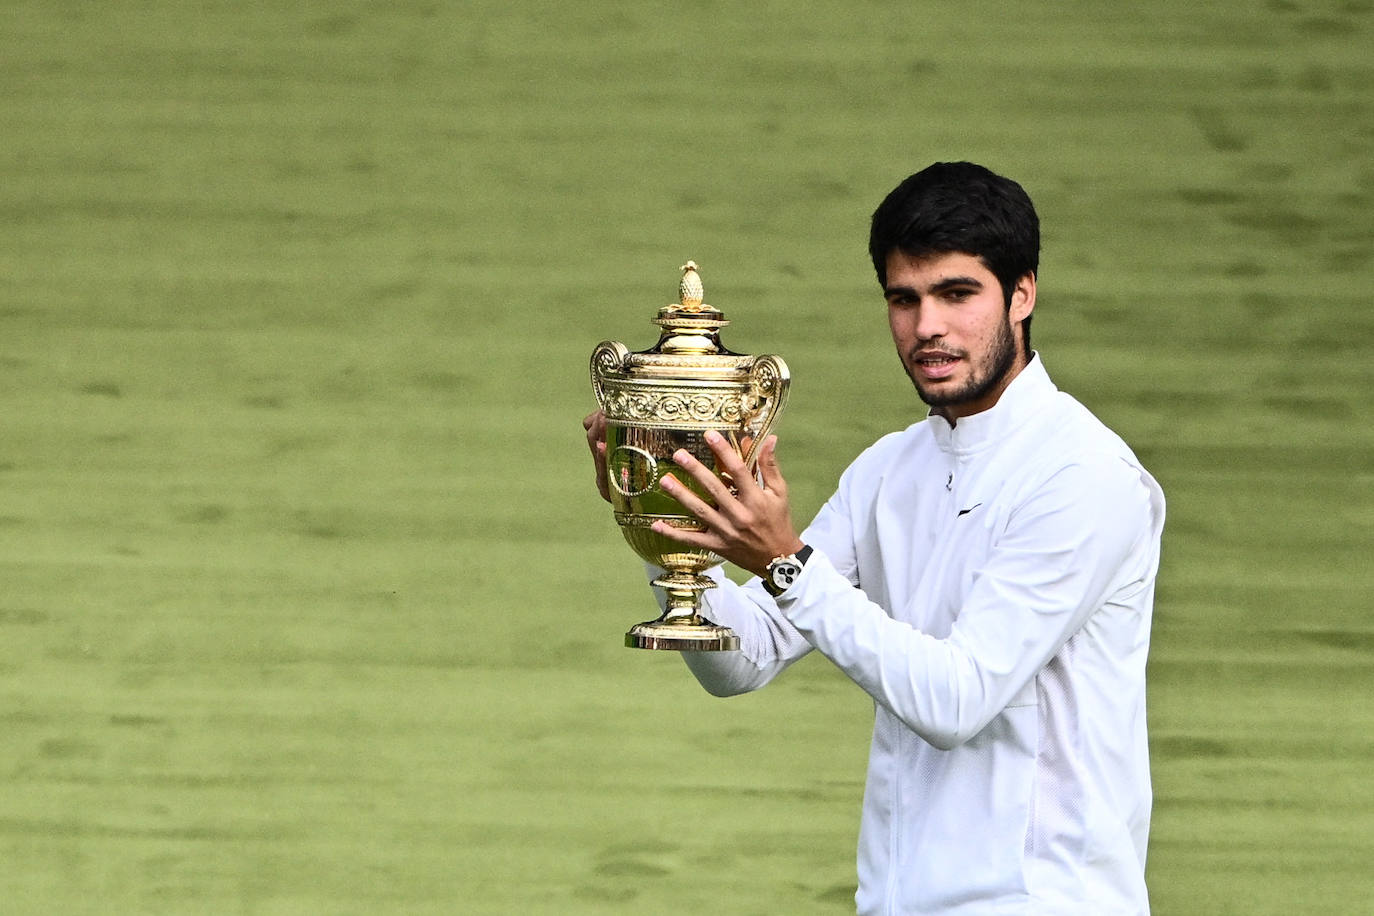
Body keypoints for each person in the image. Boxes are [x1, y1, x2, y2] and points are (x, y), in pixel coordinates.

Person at [583, 162, 1165, 915]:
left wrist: (786, 561)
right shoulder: (890, 469)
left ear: (1022, 295)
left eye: (958, 294)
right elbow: (746, 659)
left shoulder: (1084, 476)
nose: (928, 327)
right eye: (904, 298)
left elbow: (958, 700)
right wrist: (670, 526)